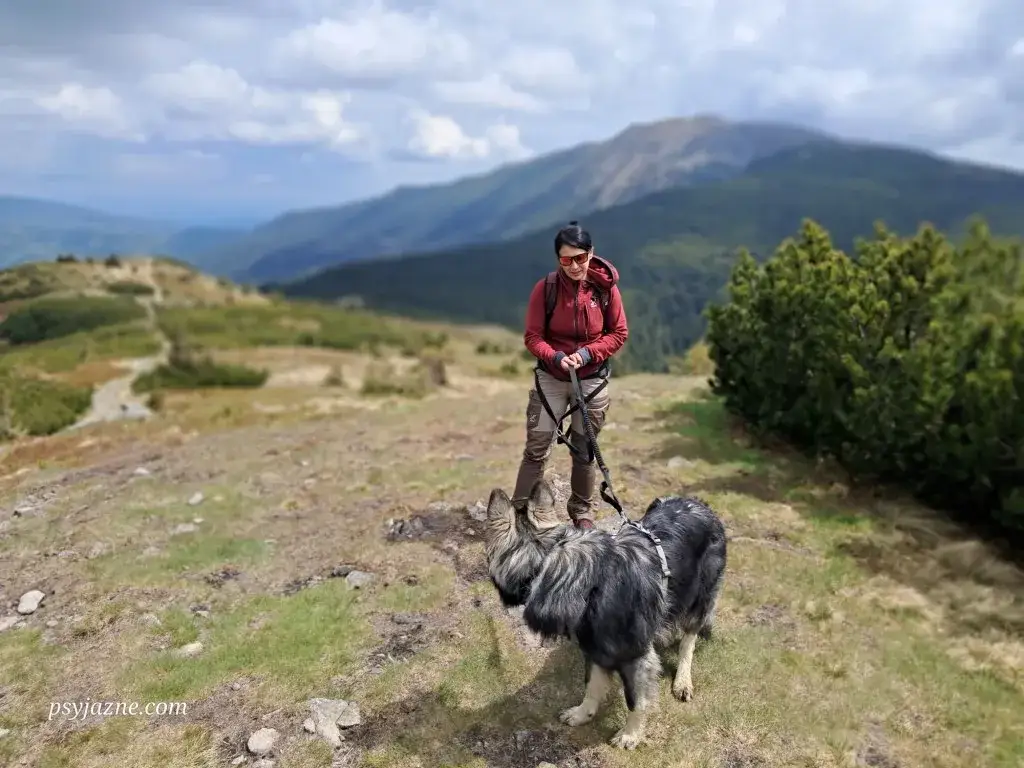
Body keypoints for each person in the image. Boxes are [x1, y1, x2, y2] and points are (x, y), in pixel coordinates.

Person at [511, 220, 629, 528]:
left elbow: (618, 332)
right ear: (557, 259)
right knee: (536, 449)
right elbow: (532, 337)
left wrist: (588, 353)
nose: (574, 265)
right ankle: (520, 513)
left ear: (591, 254)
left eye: (580, 258)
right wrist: (555, 356)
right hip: (551, 376)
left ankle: (582, 511)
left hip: (590, 380)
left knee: (584, 449)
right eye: (566, 259)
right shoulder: (546, 288)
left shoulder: (605, 289)